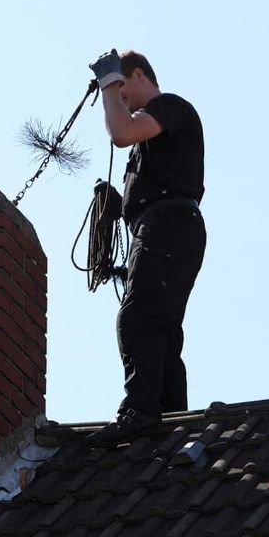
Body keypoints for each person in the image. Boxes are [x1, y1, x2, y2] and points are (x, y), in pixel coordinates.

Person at [85, 49, 206, 448]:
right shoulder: (151, 139)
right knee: (162, 326)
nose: (119, 101)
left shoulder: (169, 107)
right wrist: (119, 207)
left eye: (123, 90)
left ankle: (141, 411)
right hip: (167, 228)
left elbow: (120, 134)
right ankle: (169, 415)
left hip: (168, 227)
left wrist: (107, 83)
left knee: (136, 319)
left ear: (137, 75)